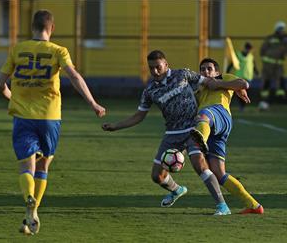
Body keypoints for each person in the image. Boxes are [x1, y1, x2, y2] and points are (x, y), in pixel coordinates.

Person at [0, 10, 106, 235]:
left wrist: (12, 97)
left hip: (23, 118)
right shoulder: (58, 51)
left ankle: (28, 197)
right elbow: (74, 76)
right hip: (50, 118)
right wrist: (93, 103)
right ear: (52, 28)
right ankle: (33, 211)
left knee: (26, 165)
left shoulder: (17, 49)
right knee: (43, 165)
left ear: (31, 27)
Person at [102, 50, 231, 215]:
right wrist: (116, 126)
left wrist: (235, 87)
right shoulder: (150, 91)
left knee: (199, 164)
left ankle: (222, 206)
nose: (155, 71)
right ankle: (177, 190)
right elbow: (139, 116)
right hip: (172, 133)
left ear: (166, 65)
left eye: (158, 67)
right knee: (157, 176)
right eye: (151, 68)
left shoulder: (183, 74)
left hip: (193, 128)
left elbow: (211, 82)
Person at [190, 58, 264, 214]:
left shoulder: (224, 77)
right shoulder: (199, 88)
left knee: (203, 116)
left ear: (217, 72)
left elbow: (244, 84)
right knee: (219, 173)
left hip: (219, 114)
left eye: (209, 68)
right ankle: (254, 205)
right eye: (202, 69)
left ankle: (200, 140)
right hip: (212, 128)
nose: (206, 72)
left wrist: (218, 84)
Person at [260, 21, 287, 104]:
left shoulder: (286, 40)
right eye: (280, 29)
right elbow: (263, 50)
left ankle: (280, 98)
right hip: (268, 64)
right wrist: (265, 60)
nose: (282, 31)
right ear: (277, 29)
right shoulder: (271, 38)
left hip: (279, 64)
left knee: (280, 80)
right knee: (267, 80)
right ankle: (264, 98)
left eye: (283, 29)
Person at [226, 42, 259, 111]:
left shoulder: (251, 56)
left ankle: (243, 106)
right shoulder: (238, 55)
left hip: (248, 77)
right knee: (239, 92)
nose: (249, 51)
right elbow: (232, 64)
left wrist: (256, 72)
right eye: (248, 49)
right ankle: (240, 105)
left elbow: (254, 65)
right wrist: (227, 71)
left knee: (247, 92)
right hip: (239, 76)